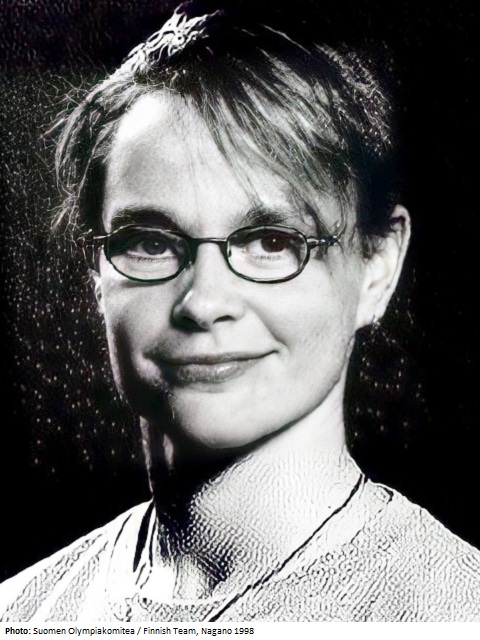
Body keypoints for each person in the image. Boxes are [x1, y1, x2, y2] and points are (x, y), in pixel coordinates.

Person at [1, 0, 479, 623]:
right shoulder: (22, 611)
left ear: (377, 266)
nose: (204, 303)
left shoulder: (454, 610)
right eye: (150, 243)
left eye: (272, 242)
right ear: (97, 273)